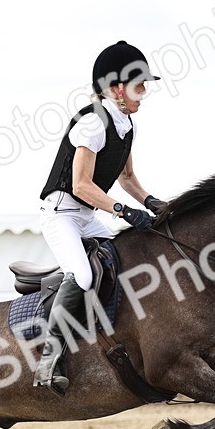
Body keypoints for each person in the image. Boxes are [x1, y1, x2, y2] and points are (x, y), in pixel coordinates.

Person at [34, 40, 168, 395]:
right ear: (116, 89)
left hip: (88, 213)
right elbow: (80, 184)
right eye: (139, 87)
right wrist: (123, 211)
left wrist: (153, 202)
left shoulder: (127, 124)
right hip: (62, 211)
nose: (143, 94)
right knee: (80, 275)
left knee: (127, 261)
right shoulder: (93, 122)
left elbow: (126, 179)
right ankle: (48, 361)